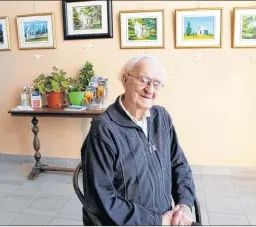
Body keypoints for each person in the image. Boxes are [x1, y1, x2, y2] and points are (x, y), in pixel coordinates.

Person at [81, 55, 196, 226]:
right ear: (125, 79)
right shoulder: (103, 130)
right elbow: (101, 199)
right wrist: (157, 221)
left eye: (156, 84)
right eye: (144, 80)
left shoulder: (161, 118)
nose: (150, 90)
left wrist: (185, 205)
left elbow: (179, 166)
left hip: (166, 218)